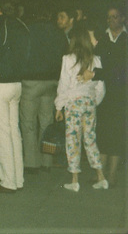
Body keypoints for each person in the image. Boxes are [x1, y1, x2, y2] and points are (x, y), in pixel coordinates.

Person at [0, 0, 29, 193]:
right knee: (14, 132)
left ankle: (7, 181)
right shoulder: (22, 26)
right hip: (17, 83)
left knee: (1, 134)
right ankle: (18, 179)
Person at [54, 24, 107, 192]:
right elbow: (100, 87)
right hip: (89, 103)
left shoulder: (67, 59)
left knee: (72, 140)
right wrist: (92, 101)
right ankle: (101, 177)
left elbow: (63, 85)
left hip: (73, 104)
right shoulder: (96, 59)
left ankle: (75, 179)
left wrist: (59, 106)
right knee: (90, 140)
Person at [20, 3, 69, 173]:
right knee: (47, 122)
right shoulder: (58, 32)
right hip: (51, 81)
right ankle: (46, 161)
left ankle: (31, 163)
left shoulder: (27, 30)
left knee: (28, 123)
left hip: (31, 81)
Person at [82, 5, 127, 187]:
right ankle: (100, 172)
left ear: (122, 18)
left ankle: (112, 173)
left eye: (115, 17)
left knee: (117, 134)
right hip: (104, 93)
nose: (111, 20)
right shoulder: (104, 40)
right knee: (102, 132)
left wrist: (99, 74)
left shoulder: (125, 39)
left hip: (121, 94)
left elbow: (121, 71)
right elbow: (96, 63)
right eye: (109, 17)